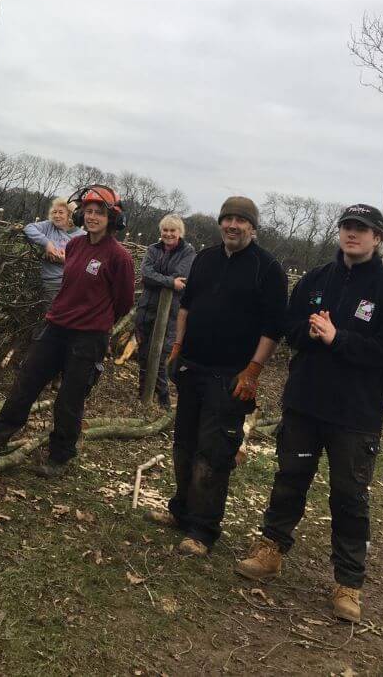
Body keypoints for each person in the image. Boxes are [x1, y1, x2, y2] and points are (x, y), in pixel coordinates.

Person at [235, 204, 383, 624]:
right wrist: (311, 334)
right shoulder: (315, 280)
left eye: (362, 229)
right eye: (347, 227)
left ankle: (348, 581)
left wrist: (339, 338)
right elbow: (287, 327)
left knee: (349, 496)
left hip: (356, 414)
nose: (353, 234)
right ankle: (271, 549)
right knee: (289, 478)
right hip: (305, 403)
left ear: (378, 238)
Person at [144, 196, 287, 555]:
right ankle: (181, 511)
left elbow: (273, 328)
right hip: (193, 366)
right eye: (228, 219)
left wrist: (253, 370)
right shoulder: (205, 259)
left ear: (252, 228)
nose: (233, 226)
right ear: (220, 223)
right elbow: (186, 307)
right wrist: (178, 347)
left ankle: (203, 530)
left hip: (231, 376)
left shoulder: (267, 269)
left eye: (241, 220)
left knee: (214, 451)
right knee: (184, 444)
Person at [0, 186, 137, 478]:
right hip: (56, 326)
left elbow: (123, 302)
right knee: (27, 383)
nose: (94, 217)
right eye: (89, 212)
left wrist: (96, 319)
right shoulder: (74, 246)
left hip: (88, 337)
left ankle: (60, 455)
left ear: (112, 218)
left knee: (69, 398)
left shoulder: (118, 257)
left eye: (100, 213)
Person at [134, 214, 196, 408]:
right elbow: (146, 273)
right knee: (144, 355)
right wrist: (169, 282)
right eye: (165, 230)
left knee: (160, 357)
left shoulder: (188, 253)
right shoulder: (153, 249)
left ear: (180, 233)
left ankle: (164, 402)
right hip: (147, 309)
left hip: (170, 314)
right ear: (161, 232)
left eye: (172, 230)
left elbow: (182, 277)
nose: (168, 234)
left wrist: (159, 279)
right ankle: (143, 397)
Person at [23, 197, 85, 304]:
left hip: (73, 284)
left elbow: (85, 263)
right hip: (51, 283)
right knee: (51, 314)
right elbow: (28, 228)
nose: (56, 215)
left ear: (70, 215)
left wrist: (66, 261)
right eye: (54, 212)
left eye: (61, 212)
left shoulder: (82, 236)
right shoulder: (49, 226)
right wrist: (47, 243)